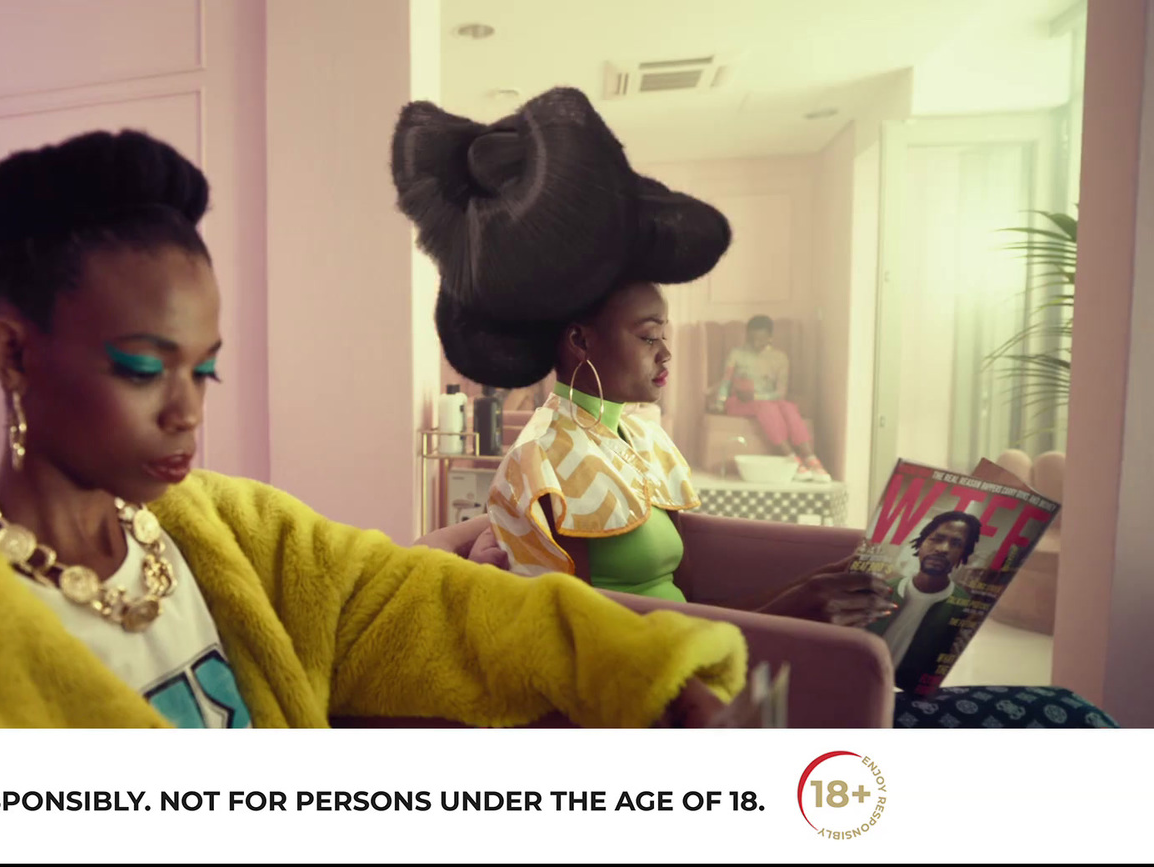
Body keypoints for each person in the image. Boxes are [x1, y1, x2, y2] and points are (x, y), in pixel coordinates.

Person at [0, 128, 751, 729]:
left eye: (205, 367)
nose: (189, 407)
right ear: (15, 357)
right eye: (145, 368)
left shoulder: (217, 531)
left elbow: (403, 600)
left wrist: (637, 670)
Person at [391, 87, 887, 625]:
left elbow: (688, 606)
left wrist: (803, 591)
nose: (666, 351)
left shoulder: (645, 438)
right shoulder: (541, 465)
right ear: (581, 341)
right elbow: (587, 642)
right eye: (649, 336)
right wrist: (792, 610)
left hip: (699, 656)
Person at [711, 315, 831, 482]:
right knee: (767, 407)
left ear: (770, 338)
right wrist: (719, 402)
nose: (755, 343)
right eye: (751, 338)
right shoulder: (737, 354)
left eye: (761, 339)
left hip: (767, 400)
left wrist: (757, 396)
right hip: (739, 402)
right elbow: (726, 381)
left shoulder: (780, 358)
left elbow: (780, 392)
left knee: (788, 407)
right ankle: (792, 458)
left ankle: (811, 459)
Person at [877, 511, 981, 670]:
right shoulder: (884, 588)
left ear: (963, 555)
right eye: (936, 539)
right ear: (921, 543)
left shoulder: (964, 607)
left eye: (956, 544)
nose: (943, 549)